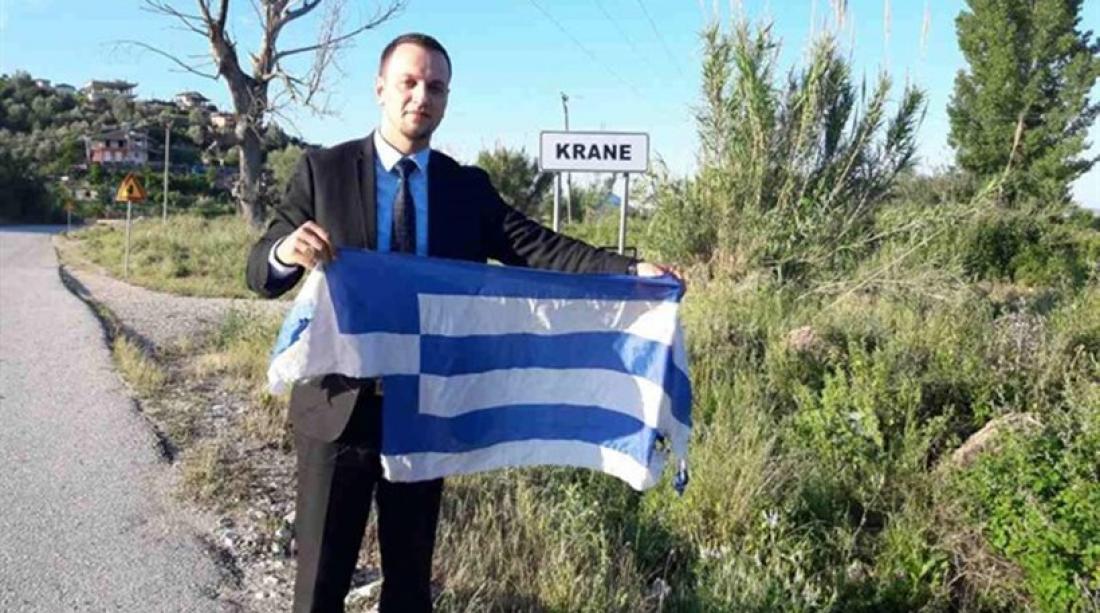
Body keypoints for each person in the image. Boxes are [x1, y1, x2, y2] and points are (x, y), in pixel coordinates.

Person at [245, 32, 675, 612]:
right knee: (319, 586)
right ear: (380, 88)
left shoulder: (466, 188)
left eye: (436, 87)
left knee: (410, 584)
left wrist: (630, 272)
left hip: (427, 408)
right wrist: (285, 251)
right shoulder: (323, 171)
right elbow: (260, 270)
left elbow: (539, 248)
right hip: (336, 408)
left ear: (447, 99)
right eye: (409, 82)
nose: (421, 96)